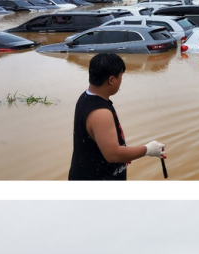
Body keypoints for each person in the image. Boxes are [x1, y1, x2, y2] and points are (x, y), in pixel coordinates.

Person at [68, 52, 166, 180]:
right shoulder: (100, 112)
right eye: (120, 76)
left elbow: (105, 146)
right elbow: (113, 155)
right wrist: (148, 149)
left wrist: (126, 155)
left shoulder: (86, 97)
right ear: (111, 80)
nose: (121, 80)